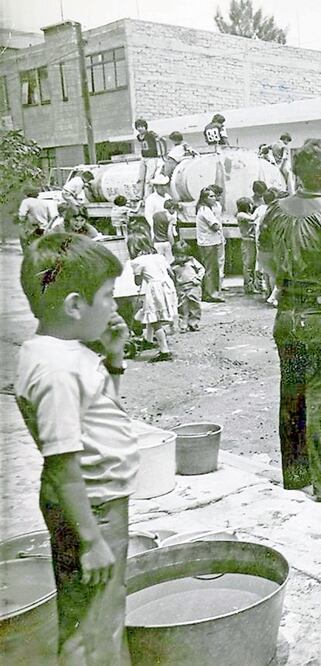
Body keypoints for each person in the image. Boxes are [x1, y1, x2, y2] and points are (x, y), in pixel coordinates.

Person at [15, 232, 137, 665]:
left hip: (99, 502)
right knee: (93, 626)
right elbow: (63, 463)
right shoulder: (57, 370)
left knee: (103, 612)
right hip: (92, 508)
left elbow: (104, 416)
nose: (114, 307)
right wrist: (90, 541)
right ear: (73, 305)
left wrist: (115, 358)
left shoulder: (64, 353)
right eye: (107, 297)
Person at [259, 138, 321, 498]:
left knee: (292, 396)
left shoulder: (274, 211)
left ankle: (297, 477)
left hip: (287, 311)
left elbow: (265, 263)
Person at [129, 235, 177, 363]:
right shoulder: (159, 257)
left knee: (155, 319)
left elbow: (138, 282)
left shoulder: (137, 261)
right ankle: (148, 340)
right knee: (150, 312)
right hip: (167, 286)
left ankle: (164, 350)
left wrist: (143, 276)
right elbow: (171, 273)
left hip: (155, 289)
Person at [195, 187, 225, 302]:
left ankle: (209, 292)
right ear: (204, 198)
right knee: (211, 269)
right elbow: (215, 225)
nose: (214, 198)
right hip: (209, 242)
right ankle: (211, 294)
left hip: (209, 241)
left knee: (210, 268)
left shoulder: (205, 209)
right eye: (210, 196)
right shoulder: (205, 210)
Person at [171, 241, 205, 332]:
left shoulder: (192, 261)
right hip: (181, 287)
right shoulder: (173, 265)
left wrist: (198, 278)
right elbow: (171, 276)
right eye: (177, 256)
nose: (180, 258)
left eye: (182, 256)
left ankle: (194, 323)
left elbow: (201, 269)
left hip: (193, 286)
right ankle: (183, 324)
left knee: (195, 304)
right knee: (182, 306)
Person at [256, 189, 280, 303]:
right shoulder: (276, 213)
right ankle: (274, 297)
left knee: (268, 273)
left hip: (262, 246)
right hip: (272, 247)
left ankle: (269, 294)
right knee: (275, 274)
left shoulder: (263, 212)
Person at [235, 197, 259, 294]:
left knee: (252, 264)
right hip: (247, 241)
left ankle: (252, 285)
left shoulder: (247, 214)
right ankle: (248, 286)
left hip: (252, 240)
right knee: (248, 264)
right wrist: (259, 210)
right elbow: (253, 219)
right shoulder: (241, 215)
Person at [144, 174, 170, 239]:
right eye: (161, 186)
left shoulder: (168, 197)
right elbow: (148, 215)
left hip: (168, 227)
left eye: (165, 185)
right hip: (158, 229)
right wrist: (156, 226)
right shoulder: (151, 199)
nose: (164, 188)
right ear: (156, 187)